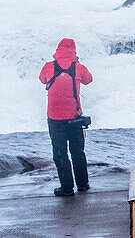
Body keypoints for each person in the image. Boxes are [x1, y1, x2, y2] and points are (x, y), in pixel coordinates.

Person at [38, 38, 93, 197]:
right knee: (78, 152)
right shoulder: (79, 67)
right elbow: (89, 80)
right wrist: (76, 63)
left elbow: (42, 80)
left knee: (60, 153)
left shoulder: (48, 66)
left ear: (58, 50)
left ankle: (67, 188)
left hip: (55, 118)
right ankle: (83, 184)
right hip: (74, 118)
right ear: (74, 51)